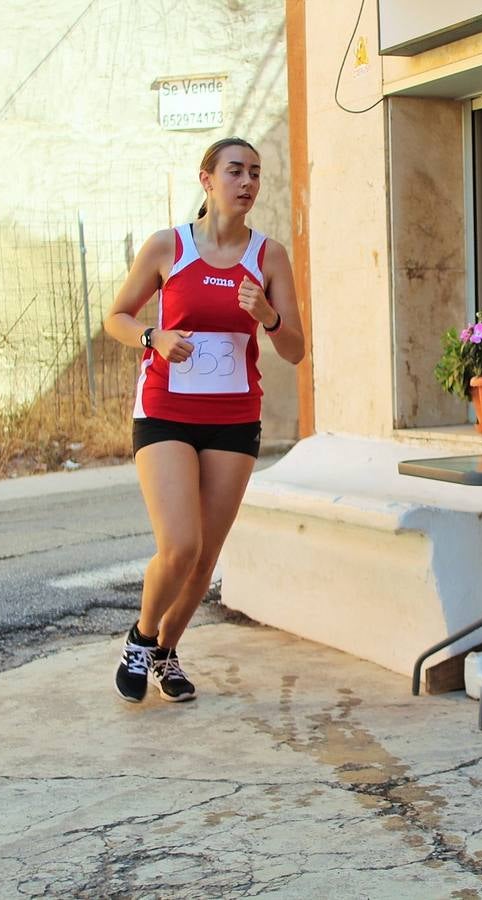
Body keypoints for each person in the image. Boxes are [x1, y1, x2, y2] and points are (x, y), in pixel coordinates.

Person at [104, 137, 304, 704]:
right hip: (166, 409)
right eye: (235, 171)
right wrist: (154, 337)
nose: (247, 183)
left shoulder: (270, 256)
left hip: (234, 418)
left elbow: (294, 350)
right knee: (181, 545)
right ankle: (141, 639)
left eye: (256, 174)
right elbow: (116, 316)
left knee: (206, 555)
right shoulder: (168, 247)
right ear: (207, 179)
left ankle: (166, 650)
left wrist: (268, 316)